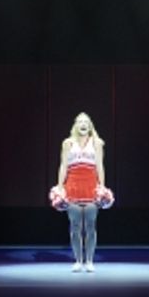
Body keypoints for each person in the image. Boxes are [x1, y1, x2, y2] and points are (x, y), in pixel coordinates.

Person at [51, 112, 112, 272]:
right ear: (75, 125)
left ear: (90, 125)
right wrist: (60, 187)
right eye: (80, 121)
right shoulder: (67, 143)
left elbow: (100, 165)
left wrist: (102, 187)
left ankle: (90, 261)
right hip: (72, 186)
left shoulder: (97, 143)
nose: (83, 124)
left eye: (86, 121)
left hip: (91, 186)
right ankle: (78, 260)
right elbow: (63, 165)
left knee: (91, 225)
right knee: (75, 225)